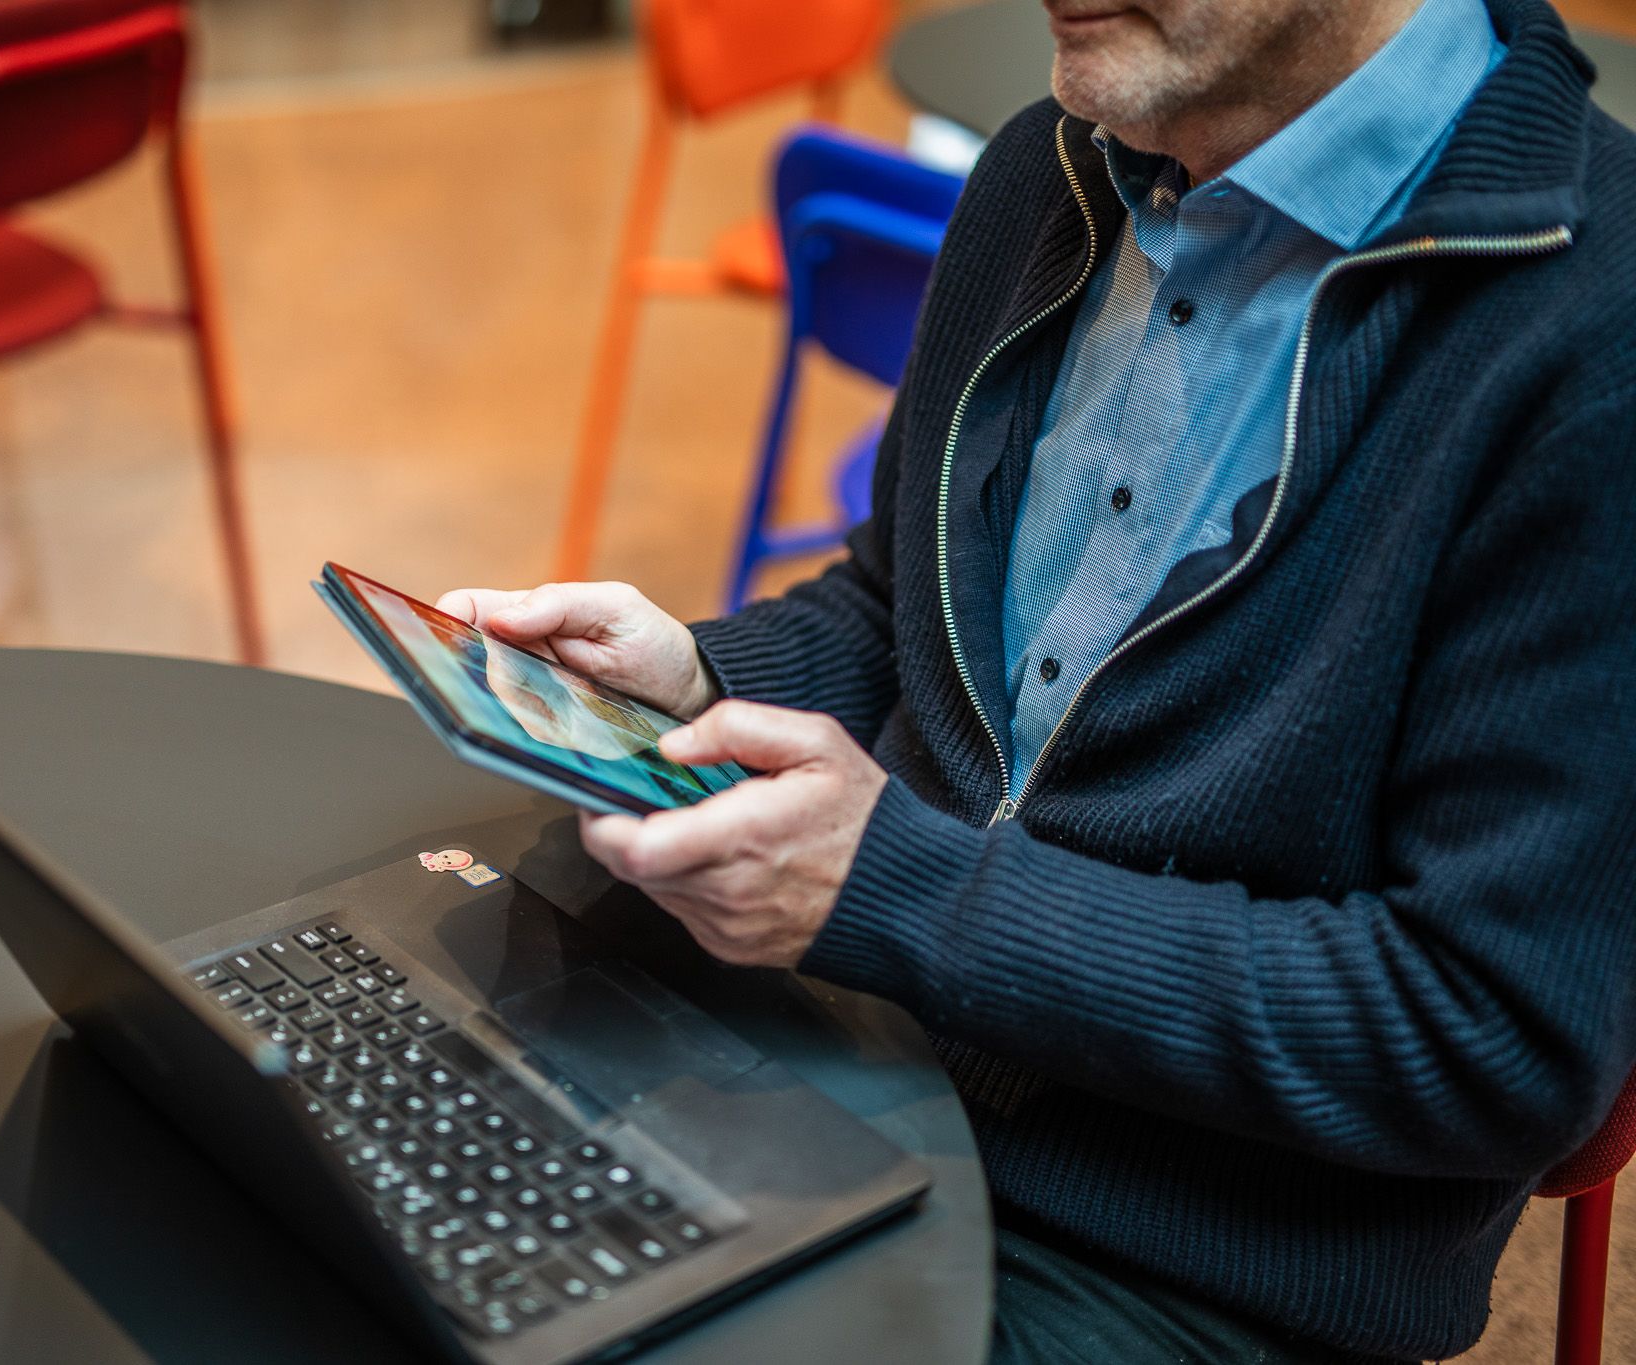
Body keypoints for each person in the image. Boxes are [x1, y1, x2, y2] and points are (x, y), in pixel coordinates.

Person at [440, 0, 1636, 1359]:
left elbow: (1487, 1038)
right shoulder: (1047, 170)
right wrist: (699, 676)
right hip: (859, 1059)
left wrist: (901, 893)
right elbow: (901, 608)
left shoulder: (1596, 335)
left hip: (1176, 1263)